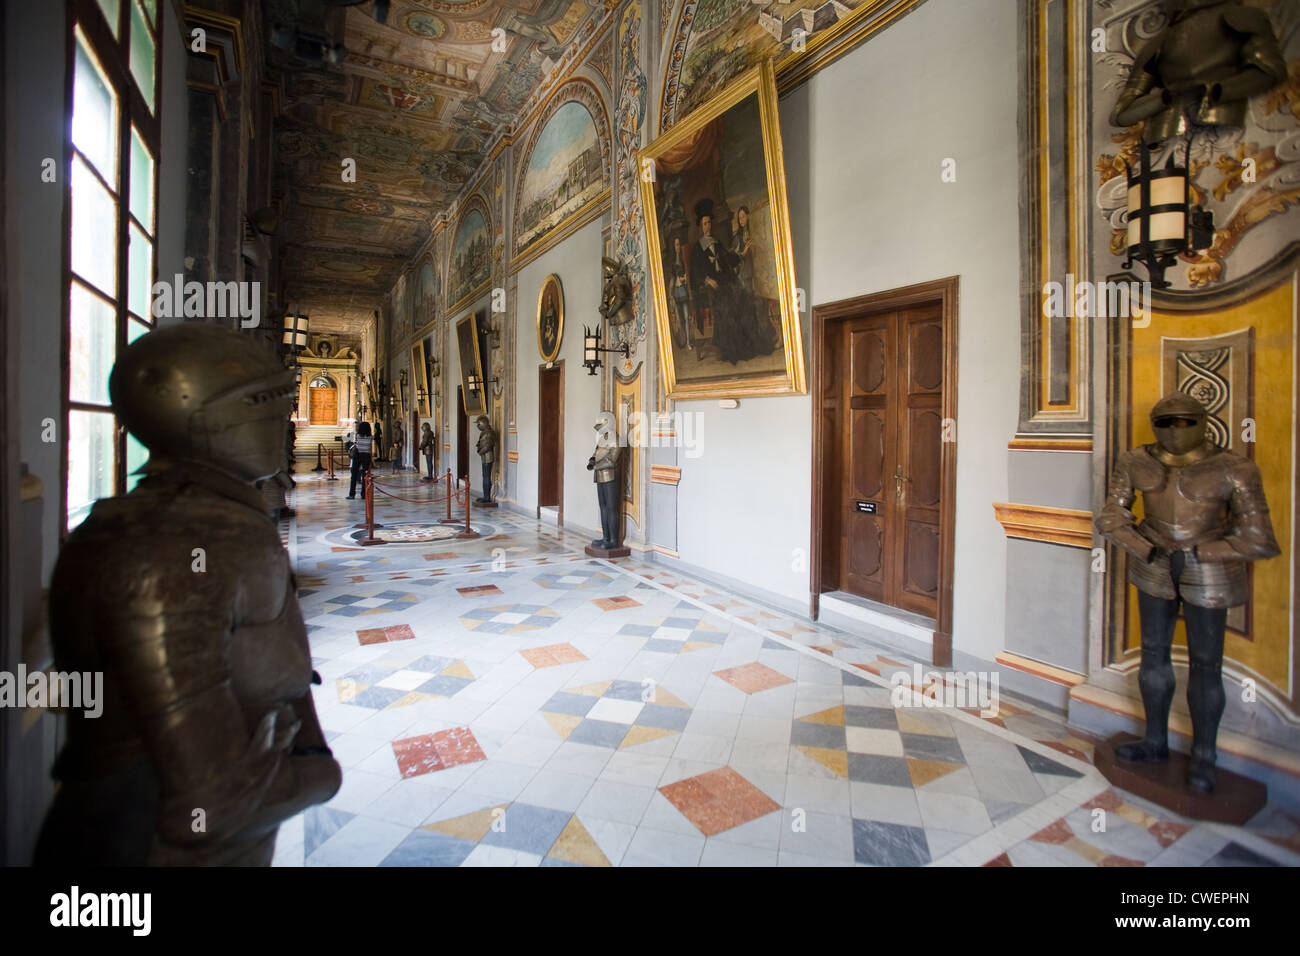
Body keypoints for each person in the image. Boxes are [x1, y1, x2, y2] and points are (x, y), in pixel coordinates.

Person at [34, 323, 340, 865]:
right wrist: (319, 774)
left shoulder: (188, 522)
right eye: (267, 402)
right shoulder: (172, 545)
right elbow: (211, 804)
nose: (281, 420)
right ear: (214, 415)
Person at [1096, 391, 1280, 793]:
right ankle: (1155, 740)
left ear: (1202, 422)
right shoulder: (1135, 461)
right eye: (1166, 423)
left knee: (1206, 665)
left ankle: (1204, 756)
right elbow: (1112, 514)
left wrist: (1203, 550)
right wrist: (1143, 545)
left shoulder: (1235, 469)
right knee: (1153, 653)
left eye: (1184, 422)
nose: (1175, 432)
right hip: (1154, 563)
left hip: (1210, 566)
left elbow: (1259, 539)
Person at [587, 414, 622, 550]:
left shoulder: (618, 439)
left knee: (612, 508)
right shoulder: (602, 439)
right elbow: (595, 454)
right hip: (600, 476)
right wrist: (591, 461)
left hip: (611, 476)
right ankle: (606, 537)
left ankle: (613, 540)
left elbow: (612, 460)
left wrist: (596, 466)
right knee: (603, 507)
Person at [347, 421, 373, 499]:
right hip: (366, 456)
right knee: (365, 476)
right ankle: (364, 494)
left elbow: (356, 445)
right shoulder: (370, 437)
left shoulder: (357, 436)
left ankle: (352, 494)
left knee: (354, 476)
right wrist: (371, 459)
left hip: (357, 456)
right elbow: (370, 448)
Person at [475, 415, 498, 503]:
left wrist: (480, 452)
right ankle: (485, 496)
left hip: (488, 456)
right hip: (484, 456)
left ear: (483, 423)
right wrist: (479, 449)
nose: (478, 426)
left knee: (487, 476)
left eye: (479, 424)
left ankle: (487, 497)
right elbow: (480, 443)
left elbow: (488, 445)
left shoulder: (489, 433)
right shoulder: (484, 432)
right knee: (484, 476)